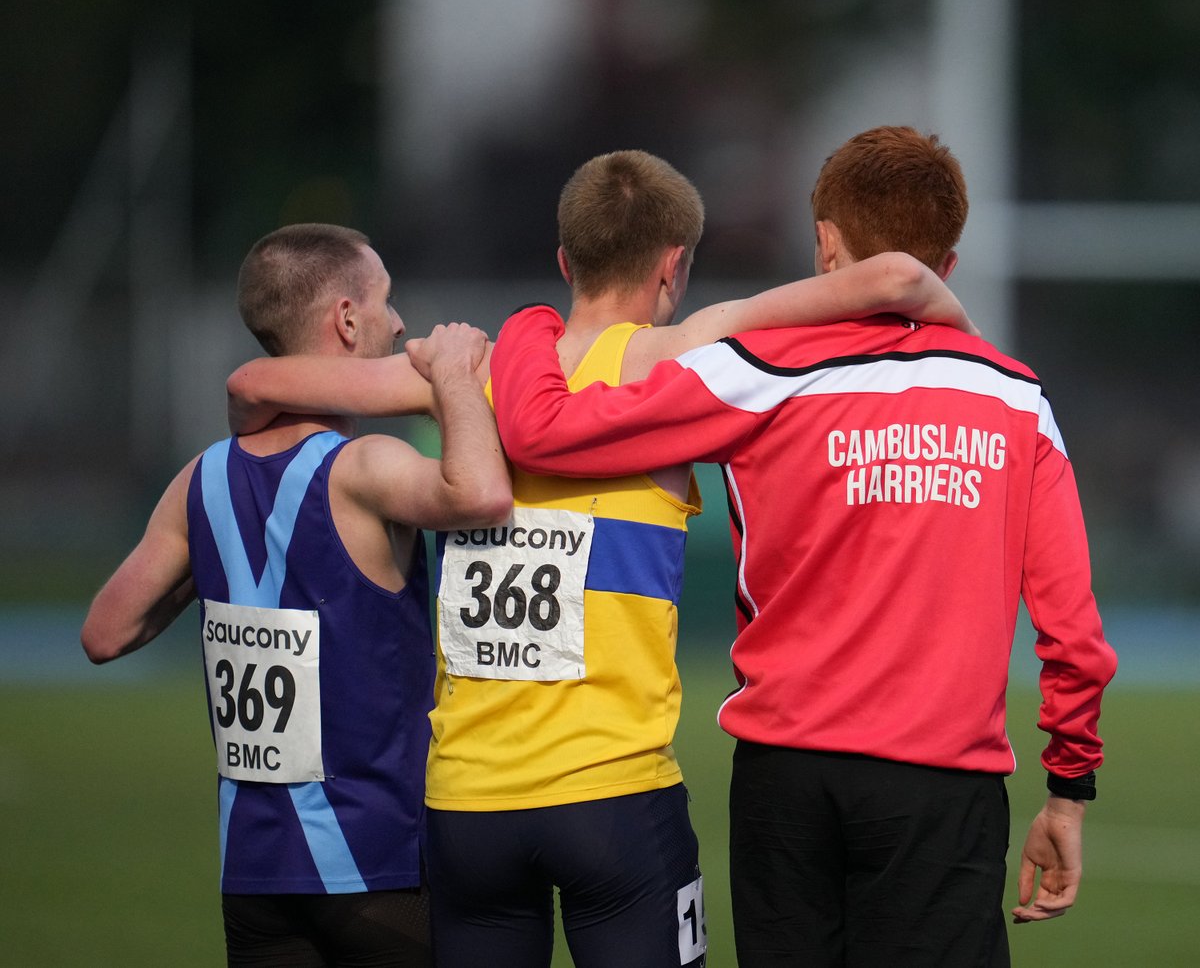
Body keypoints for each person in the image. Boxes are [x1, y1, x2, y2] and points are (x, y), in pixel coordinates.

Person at [224, 151, 975, 968]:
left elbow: (256, 382)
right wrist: (968, 347)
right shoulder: (680, 356)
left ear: (564, 261)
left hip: (468, 801)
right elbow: (899, 278)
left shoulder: (473, 378)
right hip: (615, 796)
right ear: (673, 265)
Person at [487, 128, 1118, 967]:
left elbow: (545, 432)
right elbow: (1073, 635)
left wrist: (530, 325)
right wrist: (1069, 790)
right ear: (949, 264)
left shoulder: (755, 371)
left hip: (784, 779)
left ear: (825, 245)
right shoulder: (1016, 399)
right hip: (943, 786)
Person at [80, 223, 512, 967]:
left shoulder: (201, 480)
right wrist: (451, 377)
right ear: (345, 319)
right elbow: (479, 493)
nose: (397, 323)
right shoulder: (365, 467)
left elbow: (105, 632)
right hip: (375, 859)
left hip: (254, 872)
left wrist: (219, 568)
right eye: (384, 301)